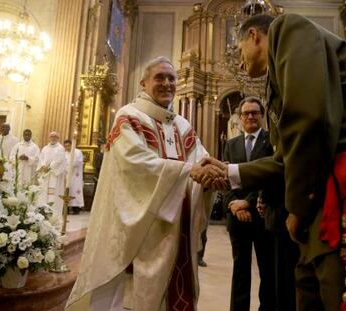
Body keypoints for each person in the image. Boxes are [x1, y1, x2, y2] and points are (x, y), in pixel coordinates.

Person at [196, 14, 346, 310]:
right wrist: (230, 171)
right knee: (309, 290)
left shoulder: (287, 29)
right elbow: (284, 157)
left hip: (341, 195)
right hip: (319, 192)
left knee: (339, 294)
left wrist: (297, 208)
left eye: (239, 51)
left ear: (254, 35)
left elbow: (309, 122)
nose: (238, 63)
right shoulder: (275, 80)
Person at [66, 57, 226, 311]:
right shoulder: (129, 116)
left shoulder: (181, 125)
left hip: (178, 227)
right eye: (159, 78)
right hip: (142, 227)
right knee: (136, 295)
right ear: (143, 83)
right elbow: (134, 164)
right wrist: (189, 172)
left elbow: (200, 160)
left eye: (171, 79)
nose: (167, 84)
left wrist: (213, 176)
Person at [223, 97, 276, 311]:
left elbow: (271, 175)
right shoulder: (231, 144)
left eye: (255, 112)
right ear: (240, 118)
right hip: (237, 218)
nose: (250, 117)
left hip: (262, 215)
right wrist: (233, 204)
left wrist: (248, 202)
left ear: (262, 116)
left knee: (267, 271)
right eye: (246, 113)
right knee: (240, 270)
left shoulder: (271, 140)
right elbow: (226, 177)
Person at [37, 131, 66, 219]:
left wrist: (49, 167)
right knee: (44, 193)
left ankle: (54, 216)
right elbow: (40, 158)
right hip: (45, 174)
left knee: (54, 195)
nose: (53, 138)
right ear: (49, 138)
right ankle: (43, 213)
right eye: (51, 136)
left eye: (55, 136)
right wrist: (42, 165)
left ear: (58, 138)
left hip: (54, 175)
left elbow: (59, 160)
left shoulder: (60, 148)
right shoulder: (45, 148)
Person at [63, 139, 84, 215]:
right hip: (67, 174)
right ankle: (67, 207)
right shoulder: (64, 153)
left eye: (68, 146)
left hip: (75, 175)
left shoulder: (78, 152)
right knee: (68, 190)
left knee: (75, 190)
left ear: (72, 145)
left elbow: (79, 161)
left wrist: (70, 165)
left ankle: (76, 208)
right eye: (65, 146)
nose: (67, 147)